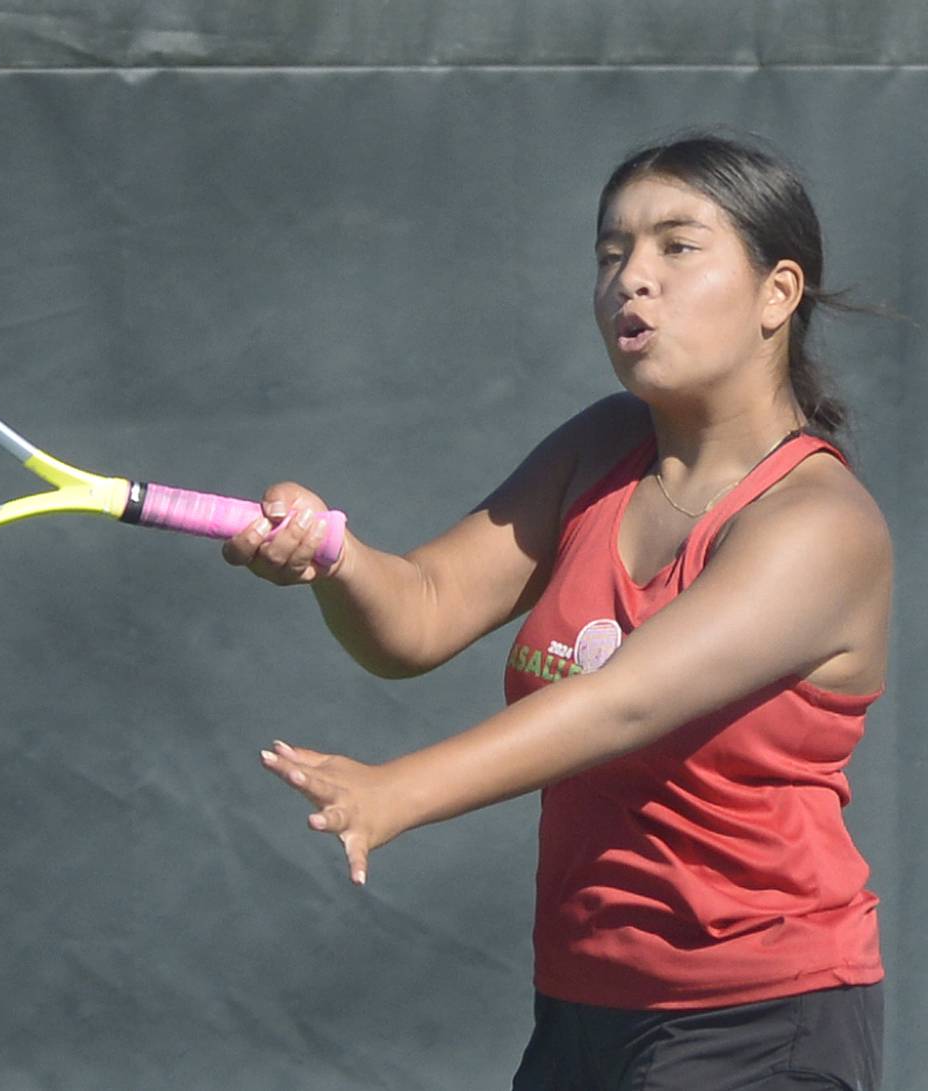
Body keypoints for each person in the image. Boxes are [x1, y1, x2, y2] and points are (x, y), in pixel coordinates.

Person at [223, 133, 889, 1090]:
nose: (632, 280)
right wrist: (329, 550)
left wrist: (399, 789)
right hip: (584, 1009)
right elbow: (420, 613)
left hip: (762, 1020)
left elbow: (619, 704)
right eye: (611, 253)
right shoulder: (599, 451)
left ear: (778, 294)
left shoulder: (820, 524)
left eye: (676, 246)